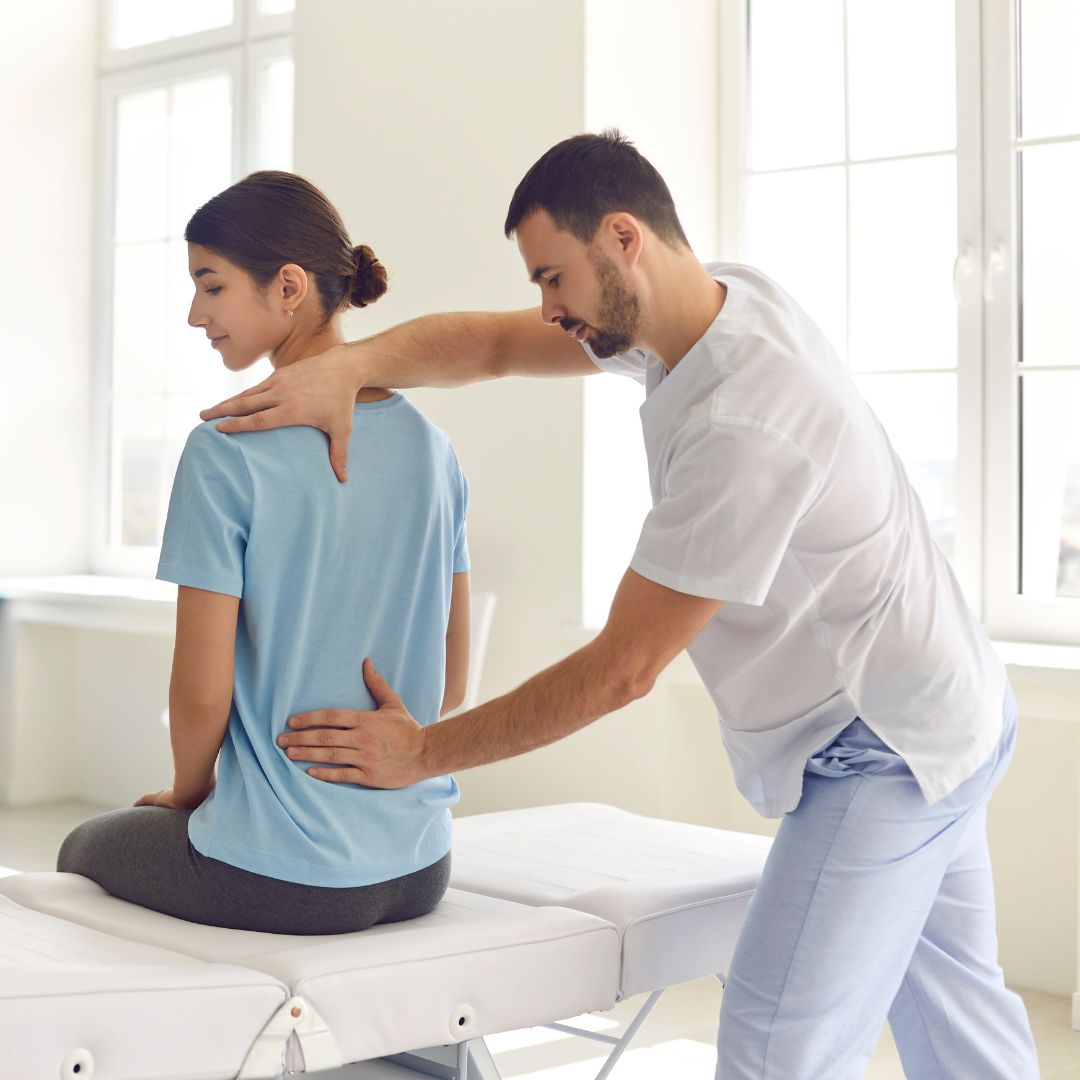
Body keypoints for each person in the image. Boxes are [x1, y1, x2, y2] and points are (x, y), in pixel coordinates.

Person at [199, 132, 1039, 1077]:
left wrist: (425, 751)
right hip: (952, 698)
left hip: (884, 743)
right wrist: (349, 368)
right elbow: (486, 345)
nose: (547, 308)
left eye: (554, 278)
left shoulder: (748, 417)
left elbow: (622, 671)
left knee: (777, 1045)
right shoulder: (710, 307)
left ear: (625, 239)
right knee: (964, 1024)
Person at [58, 171, 471, 935]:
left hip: (283, 877)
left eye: (210, 286)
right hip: (421, 864)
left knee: (83, 846)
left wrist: (185, 795)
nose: (194, 313)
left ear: (288, 287)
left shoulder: (226, 450)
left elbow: (201, 692)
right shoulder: (433, 449)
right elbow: (452, 678)